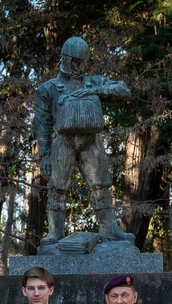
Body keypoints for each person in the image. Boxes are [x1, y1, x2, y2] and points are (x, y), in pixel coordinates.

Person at [34, 36, 135, 248]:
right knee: (57, 187)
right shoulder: (48, 88)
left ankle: (109, 228)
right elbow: (42, 123)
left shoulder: (94, 81)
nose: (80, 67)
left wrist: (96, 90)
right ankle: (55, 231)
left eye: (83, 62)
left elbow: (124, 90)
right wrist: (44, 154)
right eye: (76, 62)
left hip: (91, 141)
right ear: (66, 59)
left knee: (101, 185)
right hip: (63, 141)